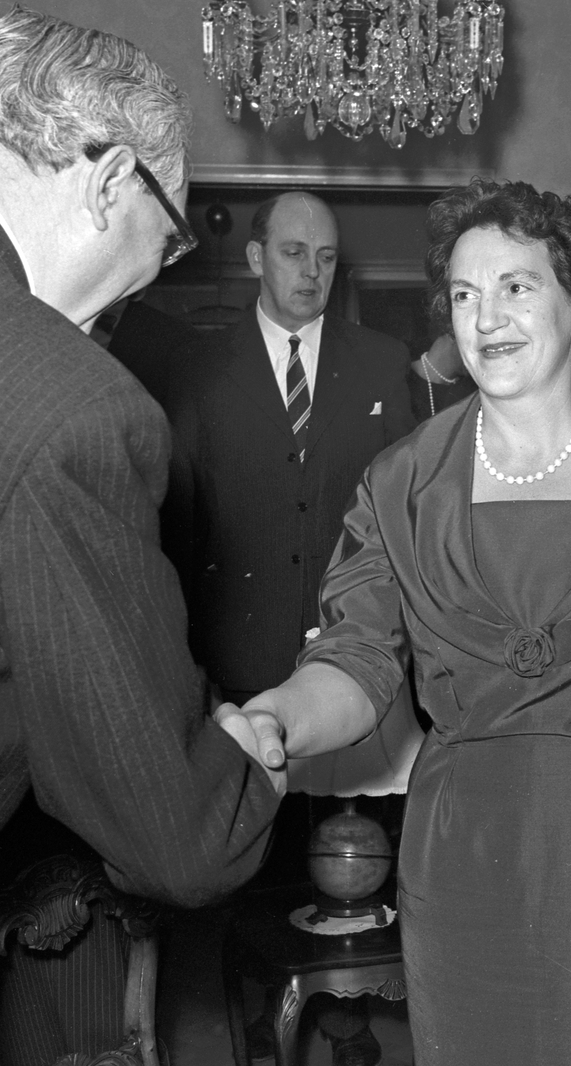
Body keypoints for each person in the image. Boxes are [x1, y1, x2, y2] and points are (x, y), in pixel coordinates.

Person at [217, 179, 571, 1065]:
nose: (487, 318)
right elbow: (357, 659)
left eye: (517, 286)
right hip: (468, 868)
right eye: (466, 295)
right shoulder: (402, 483)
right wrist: (276, 715)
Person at [0, 8, 283, 1064]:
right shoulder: (70, 406)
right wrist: (241, 767)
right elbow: (174, 839)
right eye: (168, 241)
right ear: (111, 180)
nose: (153, 280)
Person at [162, 190, 417, 1066]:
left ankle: (355, 1043)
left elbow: (408, 514)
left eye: (328, 257)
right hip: (242, 673)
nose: (312, 272)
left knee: (364, 891)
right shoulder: (197, 370)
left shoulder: (384, 364)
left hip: (361, 679)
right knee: (253, 901)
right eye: (294, 253)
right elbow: (178, 529)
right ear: (255, 258)